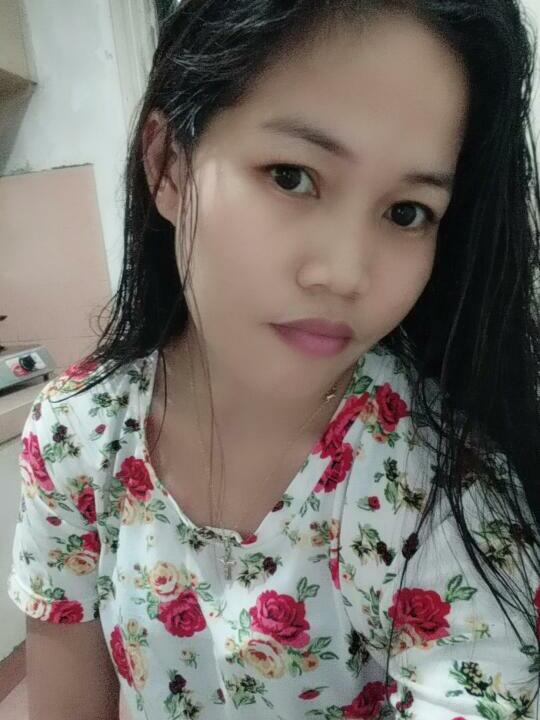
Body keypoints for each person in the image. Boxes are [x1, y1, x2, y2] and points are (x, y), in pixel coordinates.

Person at [7, 1, 540, 718]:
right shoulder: (78, 434)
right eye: (291, 175)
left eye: (406, 212)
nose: (346, 274)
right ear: (167, 167)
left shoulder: (436, 484)